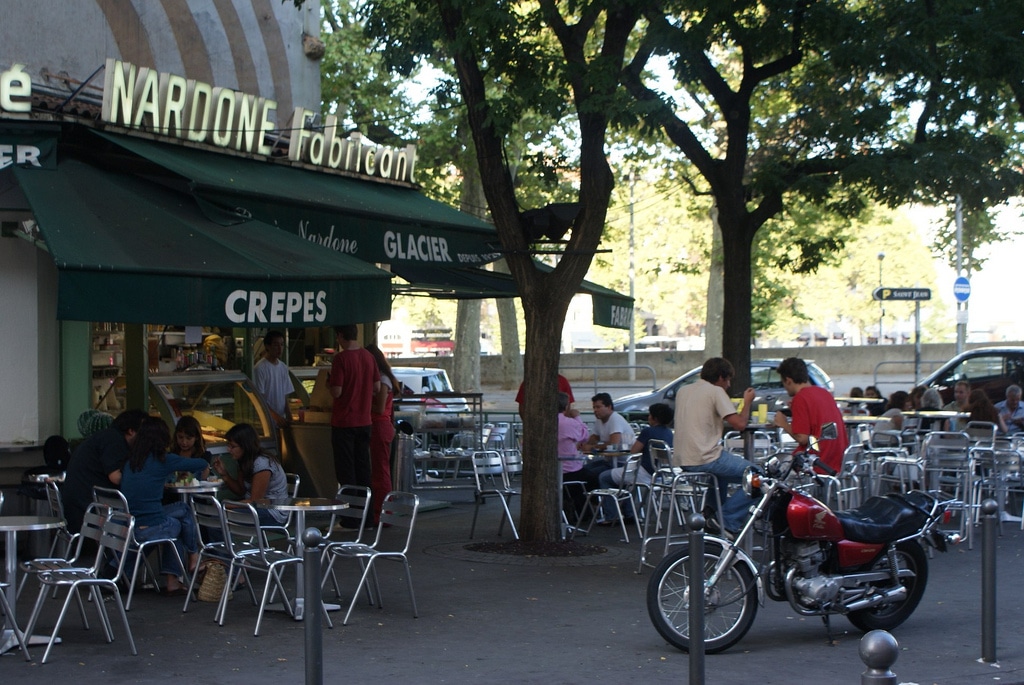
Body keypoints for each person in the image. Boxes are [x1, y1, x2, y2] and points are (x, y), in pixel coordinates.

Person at [119, 417, 208, 595]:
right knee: (178, 525)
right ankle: (191, 558)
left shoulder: (132, 461)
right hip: (149, 525)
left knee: (183, 510)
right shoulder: (164, 460)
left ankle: (178, 573)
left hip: (130, 522)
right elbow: (201, 463)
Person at [673, 357, 756, 537]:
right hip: (704, 457)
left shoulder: (683, 390)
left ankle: (709, 513)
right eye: (727, 380)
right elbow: (740, 424)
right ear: (720, 377)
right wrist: (747, 401)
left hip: (683, 458)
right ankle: (726, 519)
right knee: (759, 477)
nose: (728, 385)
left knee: (721, 474)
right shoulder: (715, 392)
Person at [62, 408, 149, 534]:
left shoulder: (104, 437)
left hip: (79, 509)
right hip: (90, 513)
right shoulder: (114, 440)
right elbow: (115, 477)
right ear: (131, 431)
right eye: (144, 432)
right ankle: (132, 552)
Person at [596, 402, 674, 525]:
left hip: (644, 473)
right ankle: (629, 513)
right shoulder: (669, 433)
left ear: (654, 418)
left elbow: (633, 451)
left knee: (604, 477)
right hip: (659, 475)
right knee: (626, 479)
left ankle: (611, 515)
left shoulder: (648, 432)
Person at [774, 357, 849, 474]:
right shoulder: (824, 393)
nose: (784, 387)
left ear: (788, 380)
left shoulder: (800, 398)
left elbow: (802, 438)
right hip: (839, 459)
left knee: (775, 469)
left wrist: (783, 424)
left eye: (783, 383)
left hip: (817, 462)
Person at [329, 324, 379, 490]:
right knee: (364, 468)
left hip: (344, 422)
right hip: (365, 421)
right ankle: (367, 513)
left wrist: (328, 384)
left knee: (346, 471)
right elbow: (377, 388)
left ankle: (351, 513)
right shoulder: (369, 357)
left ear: (341, 335)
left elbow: (337, 392)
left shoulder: (340, 359)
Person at [211, 423, 290, 527]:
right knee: (212, 515)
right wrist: (224, 474)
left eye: (233, 446)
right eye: (228, 445)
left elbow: (255, 500)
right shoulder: (243, 461)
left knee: (216, 518)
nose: (228, 450)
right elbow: (241, 491)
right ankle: (222, 543)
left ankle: (224, 543)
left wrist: (226, 505)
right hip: (254, 508)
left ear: (245, 446)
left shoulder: (262, 464)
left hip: (272, 511)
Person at [366, 343, 399, 524]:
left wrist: (360, 402)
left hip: (379, 426)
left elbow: (379, 408)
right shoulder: (383, 378)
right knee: (380, 470)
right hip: (382, 426)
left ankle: (383, 513)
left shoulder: (383, 380)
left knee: (381, 471)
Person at [578, 393, 636, 490]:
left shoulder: (615, 419)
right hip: (609, 461)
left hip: (622, 463)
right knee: (583, 470)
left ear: (609, 407)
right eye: (594, 407)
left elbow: (614, 444)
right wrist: (583, 444)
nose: (595, 410)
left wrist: (592, 448)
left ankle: (597, 500)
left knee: (590, 475)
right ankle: (592, 500)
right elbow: (593, 438)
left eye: (598, 407)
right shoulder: (599, 421)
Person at [556, 392, 590, 517]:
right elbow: (585, 436)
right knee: (595, 477)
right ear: (566, 407)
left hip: (550, 470)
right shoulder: (569, 423)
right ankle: (589, 511)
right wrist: (577, 417)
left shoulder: (541, 422)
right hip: (570, 470)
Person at [252, 330, 292, 428]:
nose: (279, 348)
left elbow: (284, 395)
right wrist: (275, 416)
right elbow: (259, 399)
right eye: (276, 345)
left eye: (282, 345)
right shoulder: (260, 368)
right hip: (266, 422)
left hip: (280, 422)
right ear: (267, 346)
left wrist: (289, 415)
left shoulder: (283, 367)